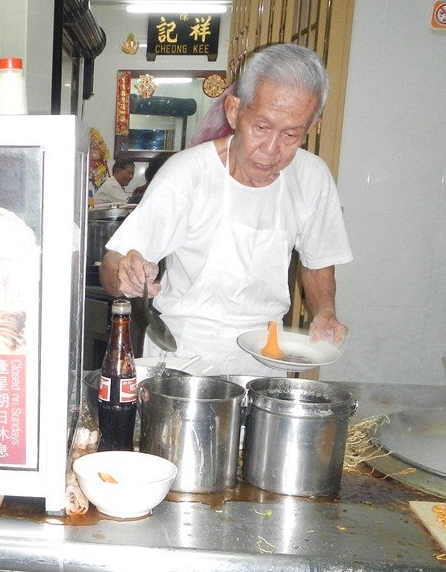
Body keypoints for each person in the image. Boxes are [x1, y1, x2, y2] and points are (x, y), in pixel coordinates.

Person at [100, 43, 352, 376]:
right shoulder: (188, 173)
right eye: (261, 128)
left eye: (292, 134)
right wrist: (125, 275)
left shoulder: (312, 176)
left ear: (313, 125)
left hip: (266, 357)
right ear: (234, 111)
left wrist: (324, 311)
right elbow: (111, 264)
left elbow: (319, 262)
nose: (272, 150)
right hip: (183, 355)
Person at [88, 128, 111, 198]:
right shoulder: (84, 163)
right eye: (91, 148)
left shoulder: (103, 166)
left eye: (95, 148)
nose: (92, 152)